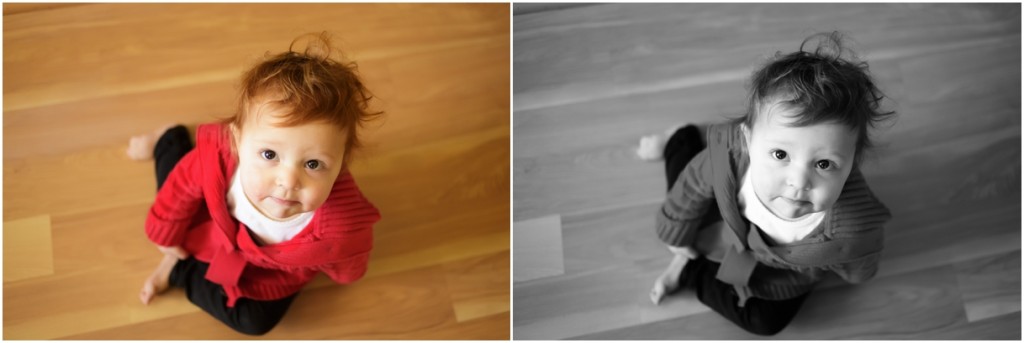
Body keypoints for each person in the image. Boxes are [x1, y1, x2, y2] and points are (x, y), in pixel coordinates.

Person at [638, 31, 894, 336]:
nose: (798, 182)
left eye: (824, 164)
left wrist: (854, 271)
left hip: (777, 270)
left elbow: (861, 257)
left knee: (765, 322)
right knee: (685, 194)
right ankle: (680, 140)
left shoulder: (852, 229)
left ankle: (689, 270)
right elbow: (692, 185)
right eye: (780, 154)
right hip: (723, 223)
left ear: (853, 162)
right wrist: (676, 231)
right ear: (748, 140)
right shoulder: (731, 157)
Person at [127, 32, 381, 335]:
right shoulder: (220, 159)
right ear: (237, 140)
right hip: (213, 225)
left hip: (265, 270)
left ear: (341, 164)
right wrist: (165, 233)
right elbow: (181, 186)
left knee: (253, 321)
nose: (288, 181)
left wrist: (343, 271)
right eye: (270, 154)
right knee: (175, 193)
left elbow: (350, 257)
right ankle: (168, 141)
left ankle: (179, 269)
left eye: (313, 164)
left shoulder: (342, 226)